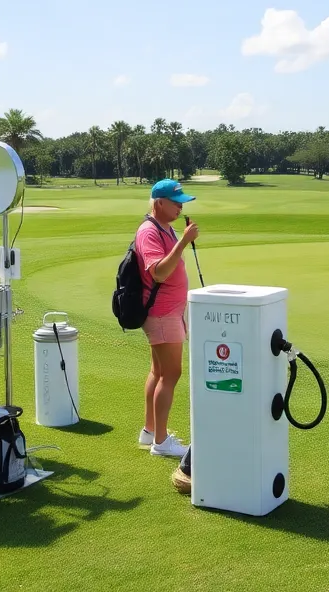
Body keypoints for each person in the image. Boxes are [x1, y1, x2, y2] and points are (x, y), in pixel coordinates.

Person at [135, 178, 199, 458]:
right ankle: (161, 442)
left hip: (168, 313)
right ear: (159, 203)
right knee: (171, 374)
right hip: (161, 314)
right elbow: (158, 272)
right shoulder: (149, 232)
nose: (180, 207)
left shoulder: (166, 229)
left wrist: (179, 238)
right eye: (176, 202)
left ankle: (150, 431)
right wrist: (184, 241)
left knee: (159, 372)